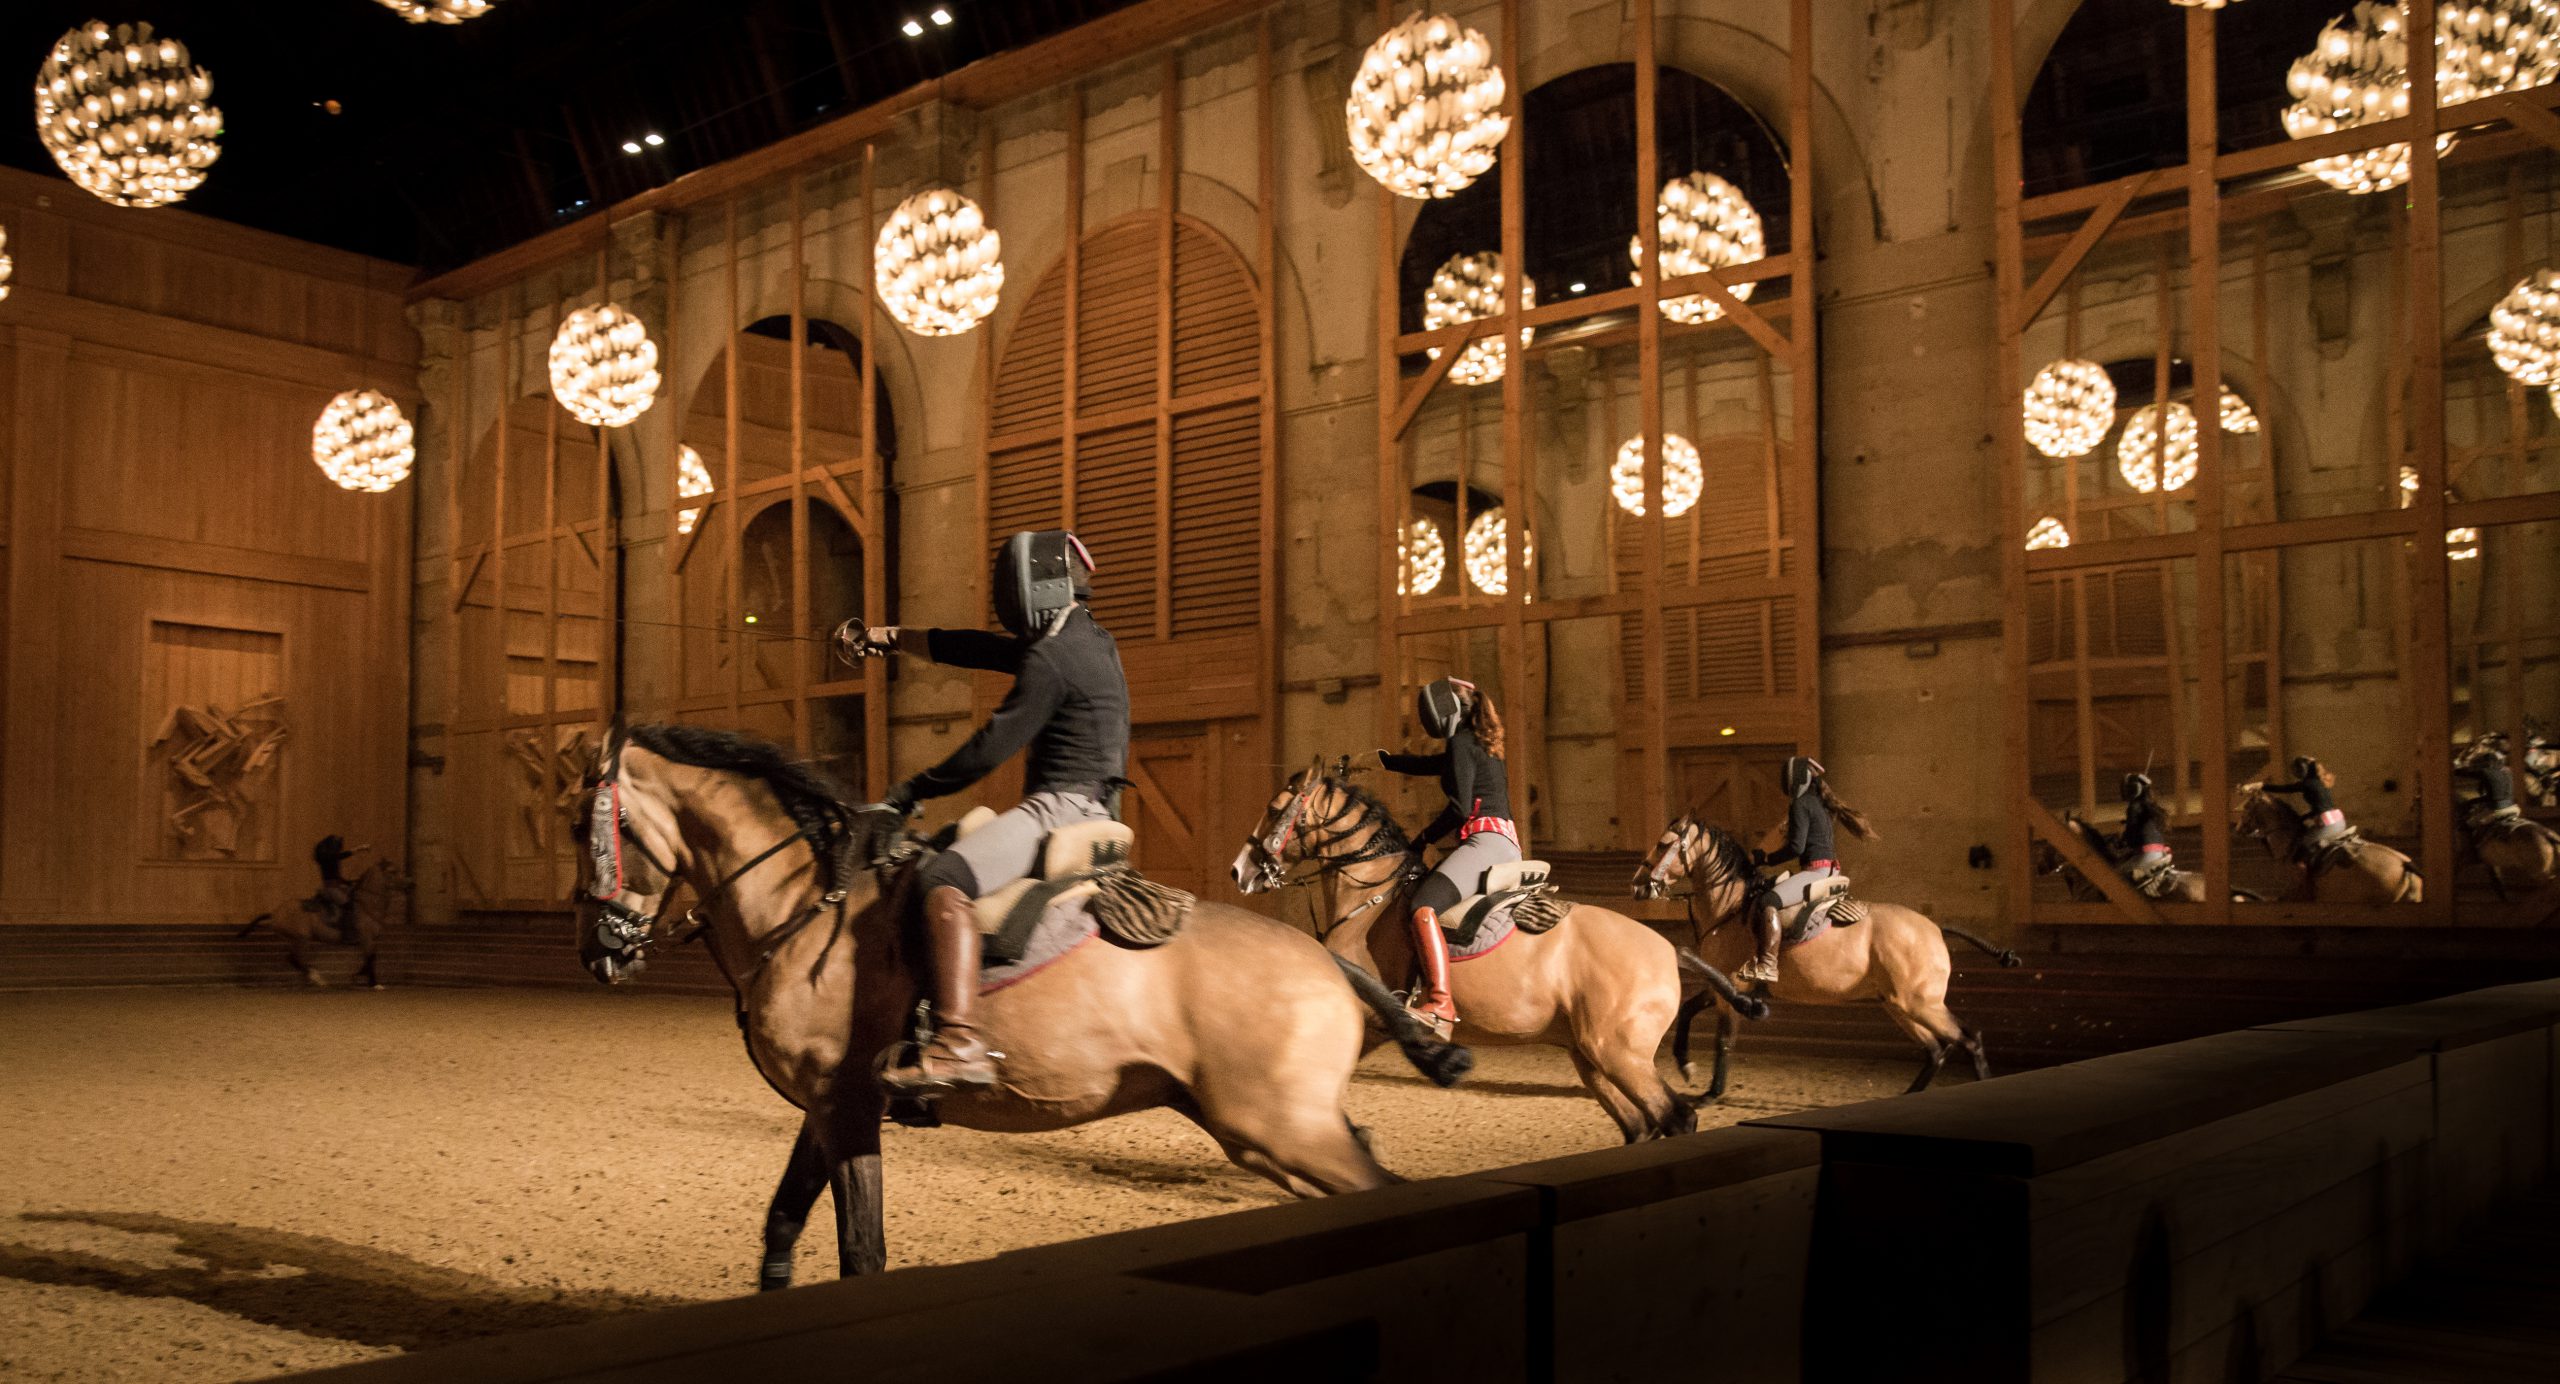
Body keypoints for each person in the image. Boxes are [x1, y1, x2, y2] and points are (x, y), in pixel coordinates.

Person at [835, 530, 1129, 1096]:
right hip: (1092, 801)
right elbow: (973, 647)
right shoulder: (1086, 640)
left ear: (1028, 591)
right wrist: (888, 638)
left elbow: (991, 747)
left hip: (1061, 807)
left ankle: (959, 1044)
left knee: (943, 878)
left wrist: (909, 791)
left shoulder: (1052, 657)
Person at [1376, 678, 1515, 1040]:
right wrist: (1385, 762)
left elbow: (1459, 809)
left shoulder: (1461, 742)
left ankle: (1440, 1003)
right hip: (1503, 842)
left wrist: (1421, 839)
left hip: (1484, 842)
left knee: (1423, 905)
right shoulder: (1478, 743)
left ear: (1445, 712)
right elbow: (1435, 765)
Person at [1739, 756, 1876, 985]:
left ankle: (1768, 965)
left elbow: (1796, 847)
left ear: (1797, 779)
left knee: (1768, 901)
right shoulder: (1820, 805)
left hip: (1815, 872)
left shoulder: (1801, 804)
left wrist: (1765, 858)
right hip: (1830, 871)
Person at [2261, 755, 2347, 847]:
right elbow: (2322, 806)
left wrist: (2261, 786)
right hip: (2340, 822)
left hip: (2328, 825)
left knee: (2302, 845)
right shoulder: (2320, 783)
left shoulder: (2308, 784)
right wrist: (2304, 817)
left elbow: (2286, 789)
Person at [2116, 772, 2174, 894]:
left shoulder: (2133, 807)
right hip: (2160, 854)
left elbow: (2131, 838)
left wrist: (2122, 838)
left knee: (2114, 877)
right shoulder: (2152, 807)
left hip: (2146, 856)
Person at [304, 835, 366, 939]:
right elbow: (341, 856)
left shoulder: (329, 858)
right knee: (349, 906)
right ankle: (347, 933)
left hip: (334, 887)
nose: (337, 849)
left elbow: (336, 876)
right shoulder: (328, 858)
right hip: (331, 889)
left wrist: (347, 882)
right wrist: (359, 849)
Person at [2455, 744, 2521, 832]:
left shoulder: (2486, 772)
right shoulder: (2508, 773)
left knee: (2464, 828)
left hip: (2497, 810)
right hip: (2514, 808)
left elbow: (2465, 773)